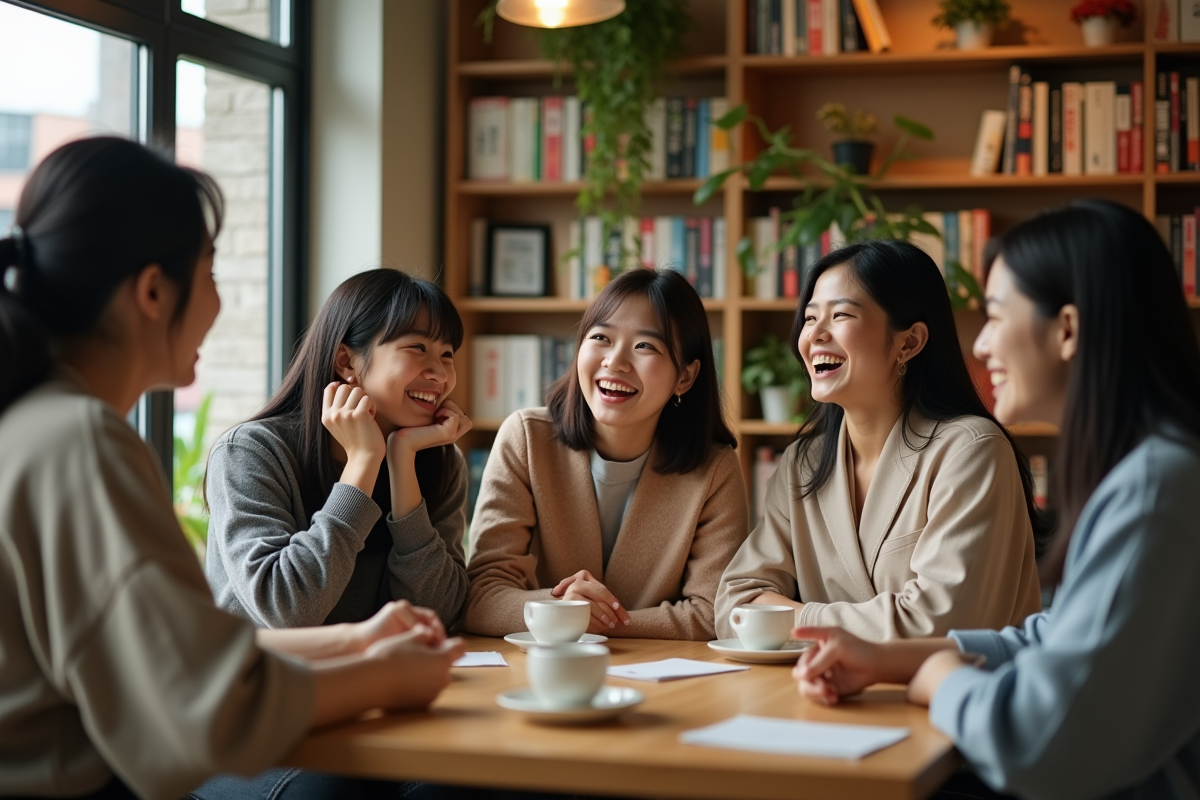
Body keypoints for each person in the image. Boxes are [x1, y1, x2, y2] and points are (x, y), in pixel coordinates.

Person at [0, 136, 464, 800]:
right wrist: (382, 676)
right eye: (211, 272)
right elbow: (203, 706)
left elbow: (185, 653)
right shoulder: (84, 443)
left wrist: (357, 643)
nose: (219, 302)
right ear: (153, 291)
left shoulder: (39, 425)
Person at [793, 200, 1200, 799]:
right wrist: (890, 659)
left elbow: (1036, 743)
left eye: (996, 316)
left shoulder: (1156, 490)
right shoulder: (1148, 474)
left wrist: (941, 677)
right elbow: (1053, 637)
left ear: (1067, 330)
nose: (981, 345)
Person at [716, 239, 1046, 642]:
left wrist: (793, 617)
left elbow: (936, 625)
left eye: (840, 315)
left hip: (952, 683)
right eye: (810, 317)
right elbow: (734, 603)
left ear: (909, 342)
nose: (814, 334)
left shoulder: (971, 450)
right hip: (821, 682)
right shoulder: (803, 463)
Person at [464, 269, 748, 641]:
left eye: (645, 346)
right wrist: (561, 609)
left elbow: (714, 613)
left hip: (664, 669)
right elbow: (481, 597)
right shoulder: (526, 439)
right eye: (601, 338)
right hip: (543, 663)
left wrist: (583, 618)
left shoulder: (714, 469)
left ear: (685, 377)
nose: (615, 362)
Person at [203, 269, 471, 632]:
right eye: (418, 348)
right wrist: (364, 461)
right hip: (268, 670)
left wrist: (402, 461)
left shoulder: (438, 460)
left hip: (384, 667)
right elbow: (288, 611)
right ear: (346, 361)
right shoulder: (249, 453)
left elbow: (442, 613)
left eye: (448, 354)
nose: (440, 374)